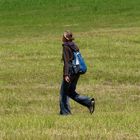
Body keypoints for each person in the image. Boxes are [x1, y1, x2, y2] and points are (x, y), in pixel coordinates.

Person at [59, 31, 95, 115]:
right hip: (76, 71)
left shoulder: (66, 47)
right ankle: (89, 102)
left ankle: (65, 113)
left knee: (64, 92)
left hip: (70, 72)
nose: (62, 37)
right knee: (70, 92)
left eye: (63, 36)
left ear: (66, 38)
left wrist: (66, 74)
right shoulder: (74, 45)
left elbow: (67, 62)